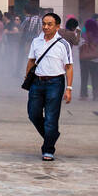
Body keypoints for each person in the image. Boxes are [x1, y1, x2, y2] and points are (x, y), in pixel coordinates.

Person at [24, 11, 76, 162]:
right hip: (37, 82)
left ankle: (48, 149)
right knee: (33, 114)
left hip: (55, 83)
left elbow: (69, 67)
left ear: (57, 26)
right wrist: (27, 77)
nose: (45, 27)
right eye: (44, 24)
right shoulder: (36, 41)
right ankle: (52, 135)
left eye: (49, 24)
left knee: (51, 118)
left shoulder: (63, 44)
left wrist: (69, 88)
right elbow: (31, 61)